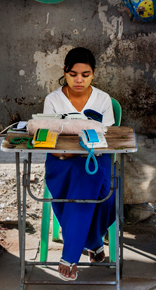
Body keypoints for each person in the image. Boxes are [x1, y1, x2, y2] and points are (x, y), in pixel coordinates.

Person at [43, 47, 116, 281]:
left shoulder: (103, 100)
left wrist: (82, 152)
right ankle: (84, 248)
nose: (79, 80)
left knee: (101, 187)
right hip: (61, 164)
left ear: (93, 74)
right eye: (73, 74)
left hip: (96, 161)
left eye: (85, 75)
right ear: (65, 73)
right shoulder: (53, 100)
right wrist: (68, 154)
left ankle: (81, 248)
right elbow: (49, 143)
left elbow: (108, 141)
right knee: (87, 180)